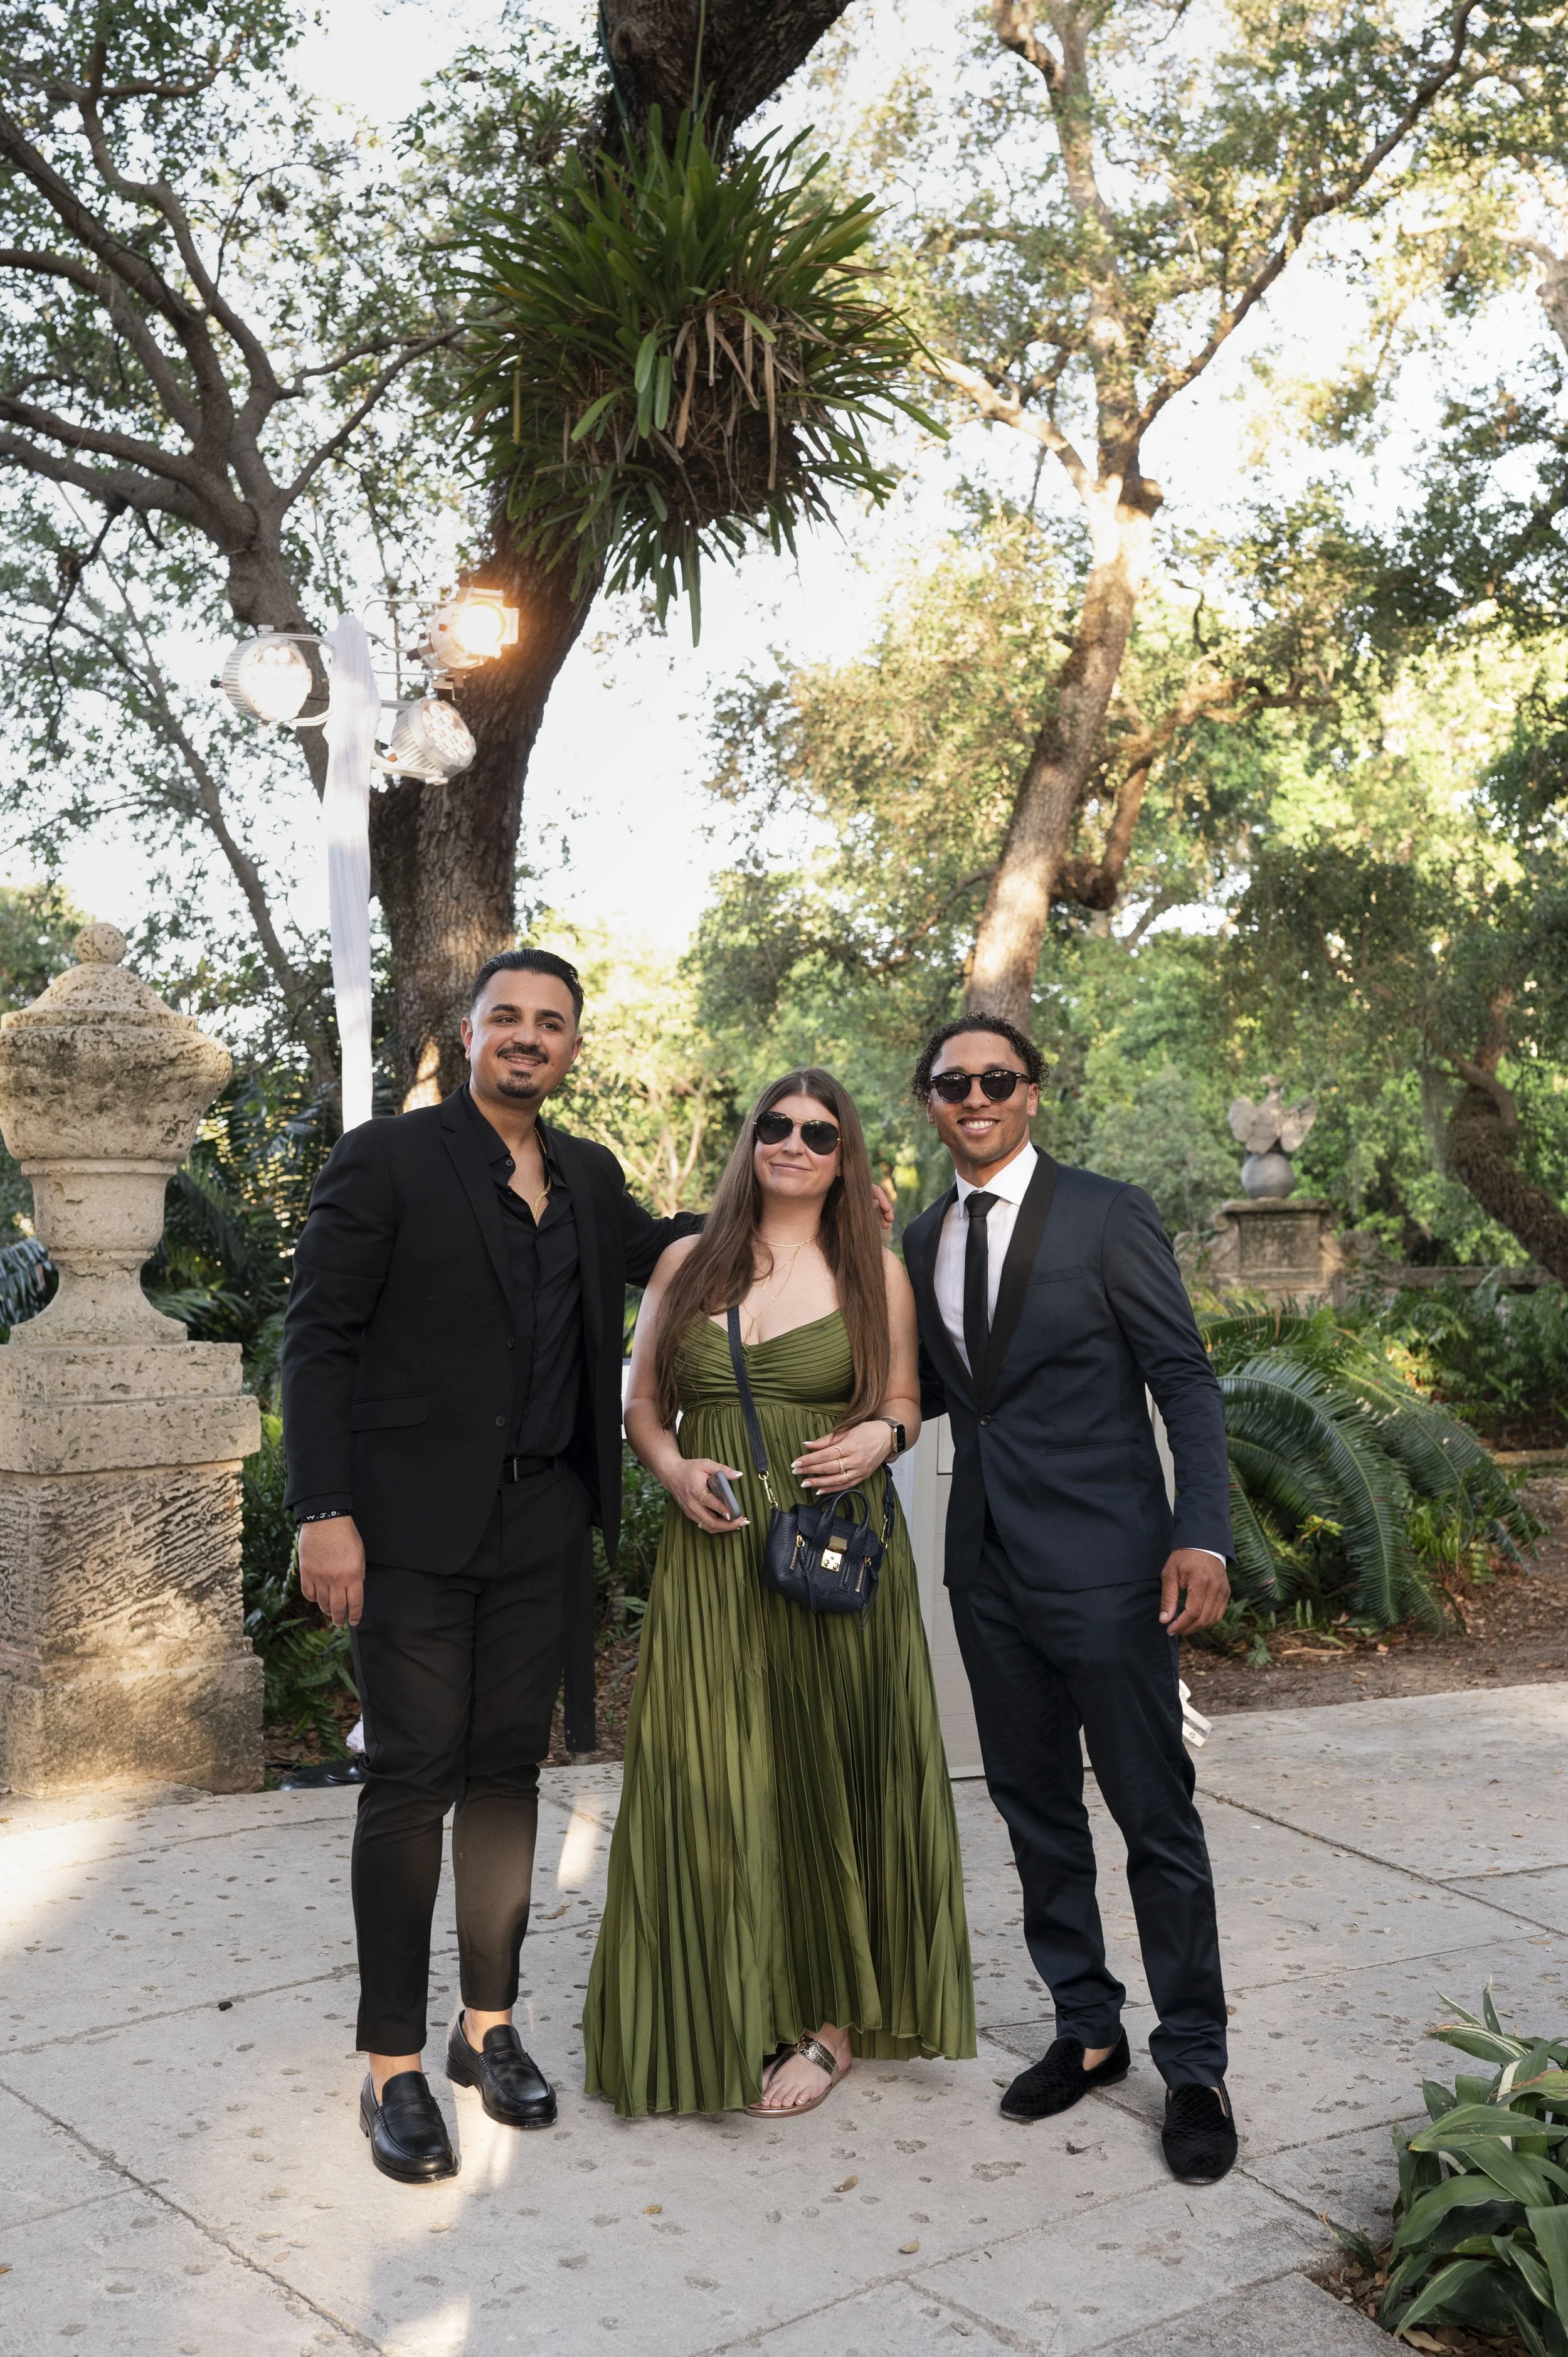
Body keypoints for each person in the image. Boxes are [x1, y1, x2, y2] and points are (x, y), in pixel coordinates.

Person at [280, 948, 703, 2185]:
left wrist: (801, 1207)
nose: (527, 1037)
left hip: (541, 1526)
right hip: (405, 1530)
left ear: (572, 1047)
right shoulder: (389, 1159)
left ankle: (486, 2028)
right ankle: (391, 2066)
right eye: (506, 1018)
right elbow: (318, 1338)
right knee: (409, 1784)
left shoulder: (586, 1172)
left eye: (550, 1023)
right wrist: (323, 1509)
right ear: (466, 1035)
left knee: (508, 1776)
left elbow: (671, 1252)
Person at [581, 1068, 975, 2119]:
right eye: (774, 1125)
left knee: (824, 1771)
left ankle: (831, 2023)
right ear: (749, 1138)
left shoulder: (871, 1268)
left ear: (845, 1154)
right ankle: (715, 1997)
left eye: (817, 1131)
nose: (792, 1143)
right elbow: (645, 1402)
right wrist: (670, 1470)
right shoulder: (686, 1260)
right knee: (705, 1780)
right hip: (710, 1564)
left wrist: (877, 1438)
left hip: (828, 1562)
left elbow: (906, 1397)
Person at [900, 1014, 1239, 2185]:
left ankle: (1194, 2063)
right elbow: (936, 1395)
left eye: (998, 1078)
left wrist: (1202, 1532)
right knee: (1034, 1809)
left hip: (1110, 1567)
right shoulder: (921, 1235)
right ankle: (1087, 2028)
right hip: (985, 1570)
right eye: (955, 1083)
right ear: (930, 1101)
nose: (976, 1096)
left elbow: (1183, 1378)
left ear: (1032, 1093)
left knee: (1156, 1819)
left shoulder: (1107, 1212)